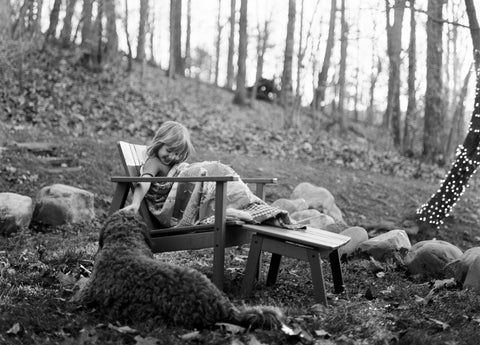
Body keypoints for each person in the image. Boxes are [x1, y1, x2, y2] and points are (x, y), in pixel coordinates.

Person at [122, 121, 194, 214]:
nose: (171, 156)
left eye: (176, 153)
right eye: (169, 150)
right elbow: (145, 181)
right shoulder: (154, 162)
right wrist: (136, 203)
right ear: (159, 144)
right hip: (172, 210)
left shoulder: (174, 165)